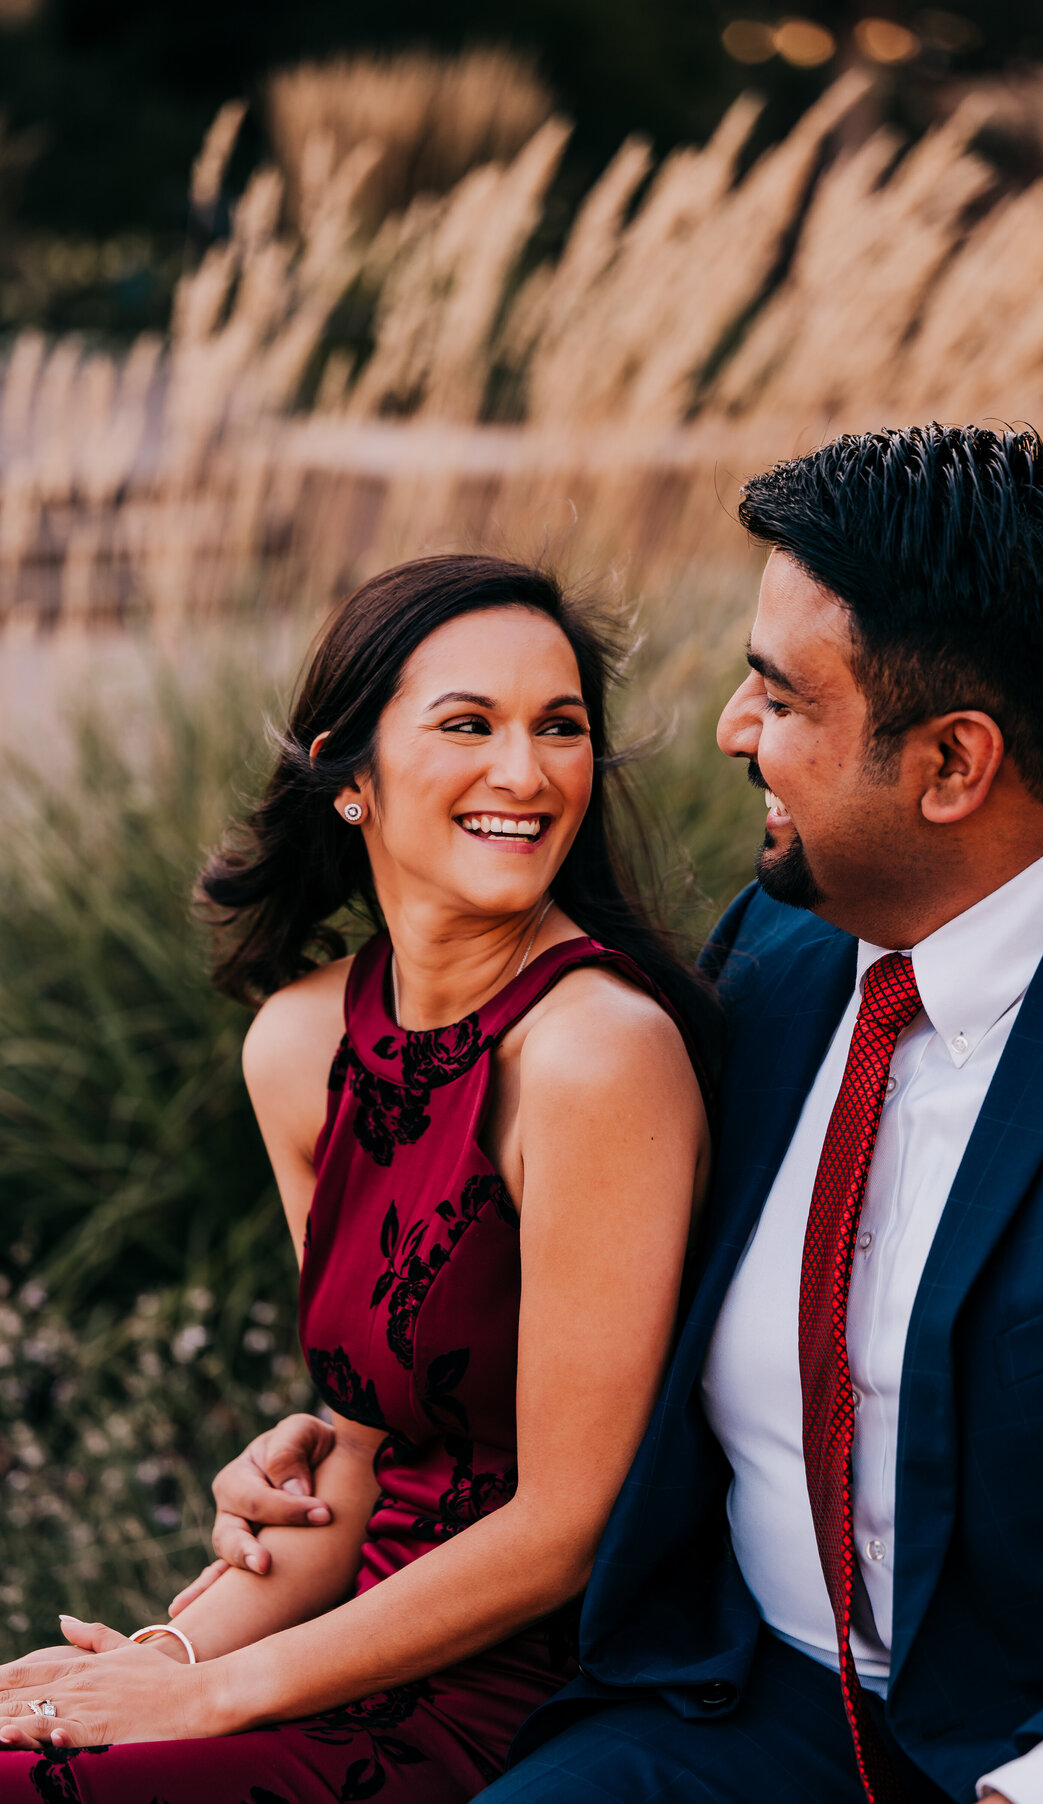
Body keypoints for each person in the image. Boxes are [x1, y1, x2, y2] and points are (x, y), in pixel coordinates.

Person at [186, 426, 1043, 1804]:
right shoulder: (772, 955)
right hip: (727, 1703)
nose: (729, 729)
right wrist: (358, 1441)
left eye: (779, 699)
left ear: (953, 765)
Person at [0, 555, 715, 1802]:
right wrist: (166, 1652)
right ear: (350, 781)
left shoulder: (601, 1052)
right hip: (339, 1646)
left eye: (561, 727)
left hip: (533, 1696)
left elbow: (565, 1529)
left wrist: (202, 1695)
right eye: (467, 725)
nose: (526, 772)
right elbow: (360, 1450)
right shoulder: (298, 1042)